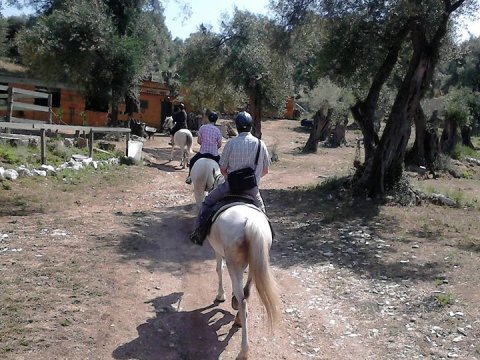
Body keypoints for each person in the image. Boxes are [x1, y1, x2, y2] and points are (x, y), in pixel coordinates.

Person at [190, 111, 270, 245]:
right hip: (252, 189)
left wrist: (229, 178)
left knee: (207, 202)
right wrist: (253, 180)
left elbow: (222, 169)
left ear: (237, 127)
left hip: (230, 187)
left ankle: (198, 232)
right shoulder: (261, 144)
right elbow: (265, 170)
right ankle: (269, 239)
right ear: (251, 126)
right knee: (263, 215)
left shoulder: (231, 144)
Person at [185, 111, 223, 184]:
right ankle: (221, 181)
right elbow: (219, 144)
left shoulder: (202, 128)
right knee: (222, 166)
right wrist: (214, 147)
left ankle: (190, 177)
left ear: (208, 119)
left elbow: (199, 141)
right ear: (215, 120)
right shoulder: (218, 130)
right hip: (214, 155)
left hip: (202, 153)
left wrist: (205, 144)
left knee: (192, 161)